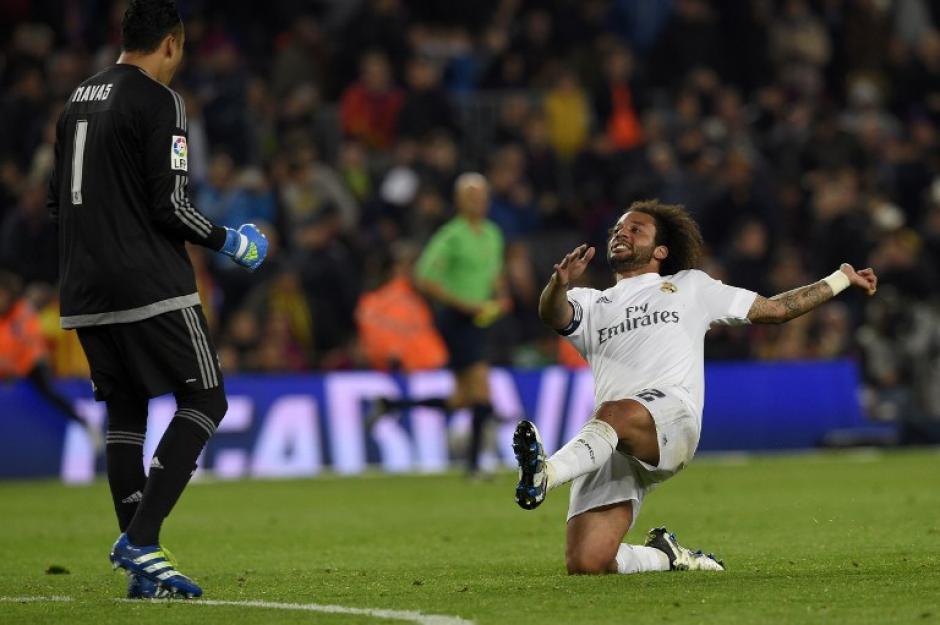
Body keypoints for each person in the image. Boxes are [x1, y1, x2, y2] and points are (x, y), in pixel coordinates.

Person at [513, 199, 877, 575]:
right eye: (618, 229)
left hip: (672, 417)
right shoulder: (592, 303)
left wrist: (840, 279)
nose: (622, 232)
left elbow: (775, 309)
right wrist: (558, 284)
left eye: (635, 228)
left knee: (613, 412)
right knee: (587, 562)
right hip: (612, 440)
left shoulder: (689, 286)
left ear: (660, 250)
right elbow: (552, 314)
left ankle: (547, 473)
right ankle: (666, 556)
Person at [46, 0, 267, 599]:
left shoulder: (75, 101)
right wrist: (230, 241)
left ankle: (141, 567)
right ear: (170, 43)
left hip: (84, 287)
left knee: (126, 412)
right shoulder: (160, 100)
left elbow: (53, 203)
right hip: (148, 283)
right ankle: (142, 539)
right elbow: (168, 205)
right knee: (206, 396)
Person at [368, 173, 510, 476]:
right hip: (456, 320)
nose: (479, 202)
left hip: (480, 318)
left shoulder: (493, 234)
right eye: (472, 196)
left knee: (461, 398)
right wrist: (464, 303)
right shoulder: (450, 236)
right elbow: (424, 277)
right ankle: (474, 467)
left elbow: (494, 273)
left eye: (483, 196)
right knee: (481, 389)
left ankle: (392, 406)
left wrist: (500, 296)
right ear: (459, 201)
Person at [0, 271, 102, 452]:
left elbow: (29, 340)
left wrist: (12, 364)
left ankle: (84, 423)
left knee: (51, 393)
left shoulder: (21, 310)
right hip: (7, 368)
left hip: (29, 363)